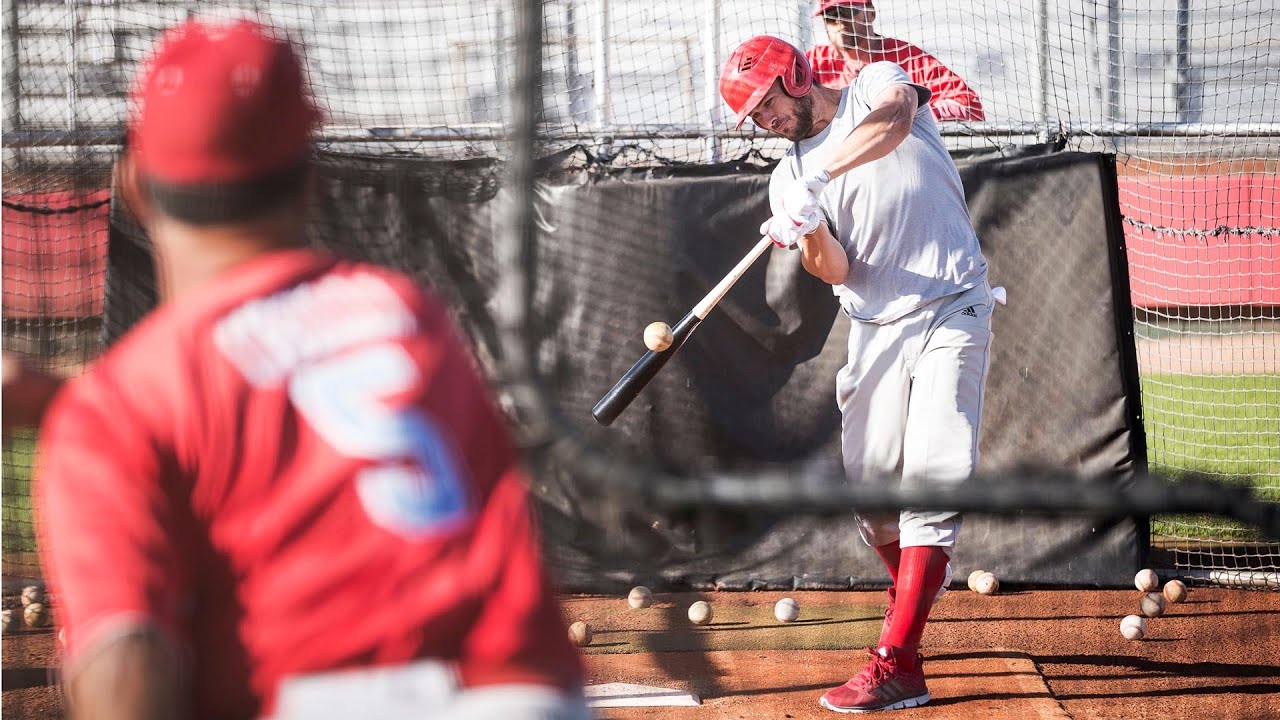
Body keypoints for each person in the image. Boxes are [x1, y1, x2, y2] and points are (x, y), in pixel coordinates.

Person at [35, 19, 588, 720]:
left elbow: (127, 663)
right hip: (524, 695)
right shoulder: (409, 316)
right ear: (312, 181)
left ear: (136, 186)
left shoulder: (124, 397)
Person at [720, 35, 998, 712]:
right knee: (873, 506)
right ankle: (908, 602)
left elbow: (895, 120)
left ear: (796, 74)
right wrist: (810, 224)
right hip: (875, 327)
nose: (767, 121)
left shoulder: (876, 84)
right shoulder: (785, 179)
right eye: (753, 116)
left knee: (932, 474)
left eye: (767, 103)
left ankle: (898, 659)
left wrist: (822, 176)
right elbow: (835, 271)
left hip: (950, 304)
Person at [807, 0, 985, 122]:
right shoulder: (815, 61)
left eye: (847, 12)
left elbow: (970, 105)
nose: (839, 22)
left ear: (870, 12)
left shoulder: (905, 56)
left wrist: (908, 113)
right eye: (830, 16)